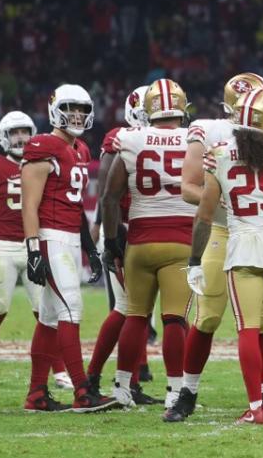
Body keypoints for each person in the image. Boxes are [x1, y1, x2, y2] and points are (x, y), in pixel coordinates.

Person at [167, 72, 263, 422]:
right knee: (207, 316)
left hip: (257, 233)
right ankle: (187, 392)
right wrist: (229, 203)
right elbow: (188, 187)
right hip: (224, 232)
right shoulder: (209, 131)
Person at [101, 79, 195, 410]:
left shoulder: (129, 137)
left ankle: (122, 387)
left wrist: (112, 243)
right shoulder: (195, 137)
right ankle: (174, 390)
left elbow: (109, 197)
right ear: (183, 107)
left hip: (140, 240)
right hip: (181, 239)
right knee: (173, 319)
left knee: (135, 316)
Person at [0, 112, 73, 391]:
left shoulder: (42, 162)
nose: (21, 137)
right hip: (3, 246)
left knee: (45, 313)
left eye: (25, 131)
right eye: (14, 133)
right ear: (4, 137)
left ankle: (59, 371)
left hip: (34, 244)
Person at [21, 84, 112, 413]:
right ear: (55, 109)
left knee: (47, 319)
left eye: (82, 109)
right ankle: (82, 391)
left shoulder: (81, 150)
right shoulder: (42, 146)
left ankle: (36, 395)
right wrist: (33, 250)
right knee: (70, 310)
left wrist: (90, 248)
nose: (77, 115)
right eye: (70, 108)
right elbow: (29, 205)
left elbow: (75, 209)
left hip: (70, 239)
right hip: (49, 237)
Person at [86, 86, 155, 403]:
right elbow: (107, 192)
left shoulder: (156, 139)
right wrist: (108, 232)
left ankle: (127, 380)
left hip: (147, 228)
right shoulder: (121, 137)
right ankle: (98, 377)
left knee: (136, 310)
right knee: (128, 309)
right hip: (129, 228)